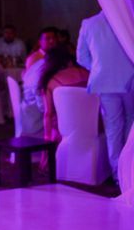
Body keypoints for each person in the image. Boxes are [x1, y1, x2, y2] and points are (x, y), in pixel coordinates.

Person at [77, 11, 134, 181]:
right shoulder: (128, 16)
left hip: (104, 82)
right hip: (131, 79)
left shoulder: (89, 23)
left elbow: (81, 57)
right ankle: (129, 171)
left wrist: (98, 68)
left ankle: (118, 176)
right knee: (130, 125)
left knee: (113, 129)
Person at [39, 45, 89, 143]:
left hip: (66, 130)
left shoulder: (51, 81)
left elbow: (48, 114)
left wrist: (47, 139)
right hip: (93, 126)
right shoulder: (87, 73)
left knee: (53, 119)